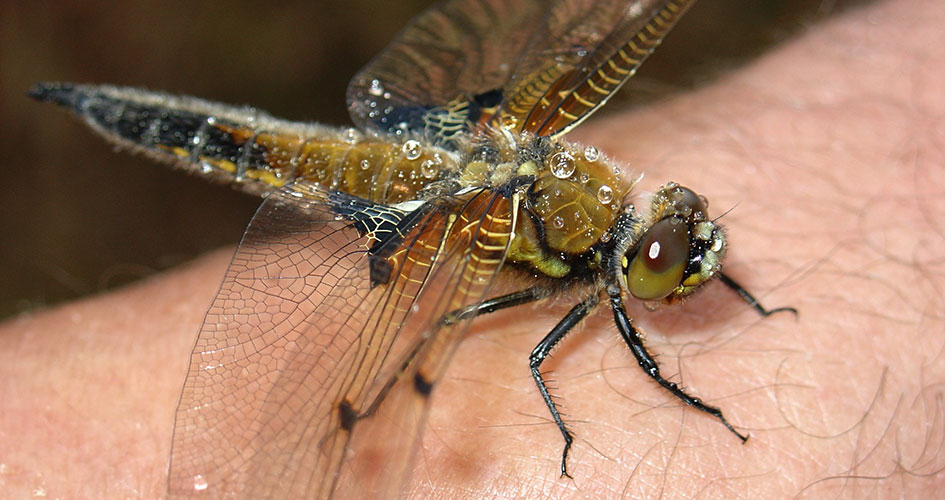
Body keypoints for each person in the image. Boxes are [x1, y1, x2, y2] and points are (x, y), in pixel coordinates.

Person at [2, 0, 942, 496]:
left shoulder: (588, 204)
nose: (681, 262)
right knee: (427, 343)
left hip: (450, 160)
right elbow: (542, 355)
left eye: (675, 245)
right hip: (396, 172)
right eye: (668, 259)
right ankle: (91, 105)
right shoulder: (568, 260)